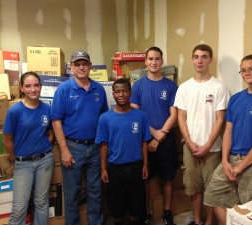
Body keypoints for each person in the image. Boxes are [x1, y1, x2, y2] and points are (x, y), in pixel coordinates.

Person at [204, 54, 252, 225]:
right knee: (213, 196)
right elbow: (228, 132)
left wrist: (241, 166)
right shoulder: (236, 99)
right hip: (232, 159)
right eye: (243, 70)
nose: (247, 73)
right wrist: (225, 161)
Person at [174, 44, 230, 225]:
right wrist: (189, 142)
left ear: (210, 60)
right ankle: (197, 221)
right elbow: (181, 118)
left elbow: (220, 120)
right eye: (196, 57)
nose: (200, 60)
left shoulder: (219, 87)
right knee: (193, 188)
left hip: (212, 148)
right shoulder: (184, 88)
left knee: (212, 189)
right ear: (192, 60)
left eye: (204, 57)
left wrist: (207, 145)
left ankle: (209, 222)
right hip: (190, 147)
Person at [51, 50, 108, 225]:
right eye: (77, 64)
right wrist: (65, 150)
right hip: (73, 148)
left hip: (95, 148)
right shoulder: (63, 89)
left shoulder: (98, 89)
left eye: (85, 64)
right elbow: (56, 121)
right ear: (71, 67)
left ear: (90, 66)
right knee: (72, 194)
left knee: (95, 192)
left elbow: (104, 118)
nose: (81, 67)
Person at [130, 46, 179, 225]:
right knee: (146, 177)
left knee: (168, 177)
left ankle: (167, 213)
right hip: (145, 139)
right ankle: (147, 212)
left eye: (157, 59)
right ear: (145, 61)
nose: (154, 62)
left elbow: (174, 115)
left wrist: (160, 136)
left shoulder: (171, 86)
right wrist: (153, 134)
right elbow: (135, 114)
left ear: (162, 61)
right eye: (150, 59)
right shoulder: (138, 85)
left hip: (166, 138)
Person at [96, 78, 152, 225]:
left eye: (125, 91)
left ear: (130, 93)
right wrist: (103, 169)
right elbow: (103, 145)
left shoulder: (141, 116)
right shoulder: (105, 118)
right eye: (118, 92)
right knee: (117, 210)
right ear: (113, 94)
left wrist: (145, 165)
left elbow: (144, 142)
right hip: (115, 169)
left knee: (136, 209)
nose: (121, 94)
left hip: (136, 167)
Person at [3, 71, 54, 225]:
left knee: (41, 203)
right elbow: (7, 141)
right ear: (21, 88)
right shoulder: (14, 111)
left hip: (45, 161)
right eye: (28, 86)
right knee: (19, 208)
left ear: (41, 86)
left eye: (36, 85)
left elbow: (50, 134)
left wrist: (44, 150)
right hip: (23, 164)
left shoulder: (47, 109)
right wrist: (18, 158)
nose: (33, 89)